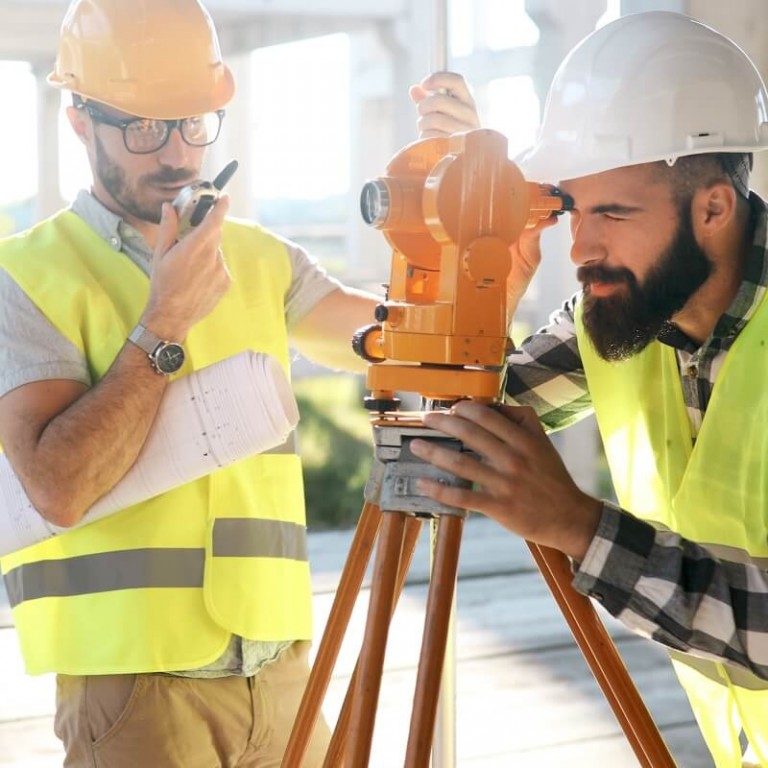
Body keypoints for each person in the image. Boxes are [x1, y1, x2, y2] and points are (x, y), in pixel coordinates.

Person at [0, 0, 469, 764]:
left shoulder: (258, 256)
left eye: (194, 121)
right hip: (137, 692)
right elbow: (57, 485)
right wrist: (163, 326)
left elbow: (412, 338)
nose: (177, 152)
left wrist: (450, 194)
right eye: (146, 127)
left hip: (282, 672)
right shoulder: (26, 276)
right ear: (80, 118)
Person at [408, 11, 768, 768]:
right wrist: (485, 287)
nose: (580, 246)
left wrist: (577, 525)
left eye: (612, 211)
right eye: (573, 207)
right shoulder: (621, 313)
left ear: (713, 208)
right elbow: (456, 429)